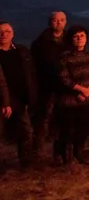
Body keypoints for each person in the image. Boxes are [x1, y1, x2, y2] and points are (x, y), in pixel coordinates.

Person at [55, 27, 89, 166]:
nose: (79, 38)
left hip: (88, 98)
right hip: (69, 99)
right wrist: (81, 90)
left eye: (82, 35)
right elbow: (63, 78)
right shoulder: (64, 57)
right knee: (68, 128)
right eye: (76, 36)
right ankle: (66, 157)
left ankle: (79, 153)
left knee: (83, 127)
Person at [0, 22, 39, 169]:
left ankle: (26, 162)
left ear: (13, 34)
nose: (3, 34)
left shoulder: (21, 51)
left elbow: (31, 73)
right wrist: (5, 102)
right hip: (2, 100)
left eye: (7, 31)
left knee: (26, 131)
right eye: (1, 32)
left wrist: (32, 94)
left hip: (20, 98)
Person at [30, 11, 69, 154]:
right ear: (49, 22)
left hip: (66, 87)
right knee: (43, 119)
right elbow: (33, 67)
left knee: (64, 120)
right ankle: (37, 153)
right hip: (47, 86)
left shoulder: (70, 40)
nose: (58, 23)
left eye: (61, 20)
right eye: (55, 20)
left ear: (65, 22)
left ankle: (62, 153)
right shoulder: (40, 43)